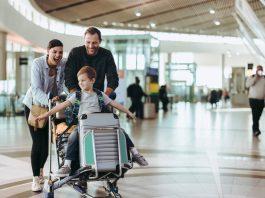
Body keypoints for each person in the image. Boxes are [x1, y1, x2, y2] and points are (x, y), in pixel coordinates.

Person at [36, 66, 148, 177]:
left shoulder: (100, 95)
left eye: (83, 80)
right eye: (79, 81)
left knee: (121, 132)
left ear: (92, 80)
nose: (80, 83)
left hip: (99, 125)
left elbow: (115, 104)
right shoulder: (77, 95)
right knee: (73, 137)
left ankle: (135, 154)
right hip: (83, 125)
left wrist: (128, 112)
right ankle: (67, 165)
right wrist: (45, 115)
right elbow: (62, 106)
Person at [23, 39, 66, 192]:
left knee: (47, 147)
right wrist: (49, 100)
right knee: (38, 142)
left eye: (60, 52)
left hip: (49, 108)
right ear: (48, 51)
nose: (58, 55)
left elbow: (62, 85)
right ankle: (35, 178)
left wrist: (60, 98)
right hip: (33, 106)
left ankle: (41, 172)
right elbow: (35, 89)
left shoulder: (63, 64)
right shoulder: (38, 63)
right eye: (54, 51)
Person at [64, 26, 119, 96]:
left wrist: (104, 97)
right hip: (76, 95)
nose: (91, 46)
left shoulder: (106, 55)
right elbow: (68, 77)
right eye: (88, 42)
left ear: (100, 41)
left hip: (97, 96)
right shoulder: (75, 53)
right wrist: (76, 96)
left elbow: (113, 79)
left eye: (94, 43)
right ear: (84, 41)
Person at [246, 65, 265, 137]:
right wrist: (255, 78)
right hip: (253, 100)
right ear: (256, 70)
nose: (259, 71)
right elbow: (247, 85)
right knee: (255, 115)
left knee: (258, 115)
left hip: (261, 100)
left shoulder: (264, 78)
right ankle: (256, 130)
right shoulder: (252, 77)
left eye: (261, 70)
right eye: (258, 70)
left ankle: (255, 128)